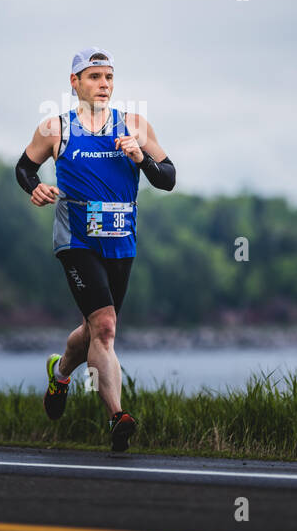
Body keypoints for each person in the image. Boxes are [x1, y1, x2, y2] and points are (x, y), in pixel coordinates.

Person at [14, 48, 176, 452]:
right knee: (105, 329)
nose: (104, 85)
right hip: (76, 241)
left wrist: (141, 158)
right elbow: (24, 167)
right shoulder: (56, 129)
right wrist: (36, 187)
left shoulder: (134, 126)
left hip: (121, 242)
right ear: (75, 83)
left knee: (92, 330)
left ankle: (61, 372)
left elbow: (168, 179)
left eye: (109, 77)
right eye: (94, 77)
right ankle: (117, 417)